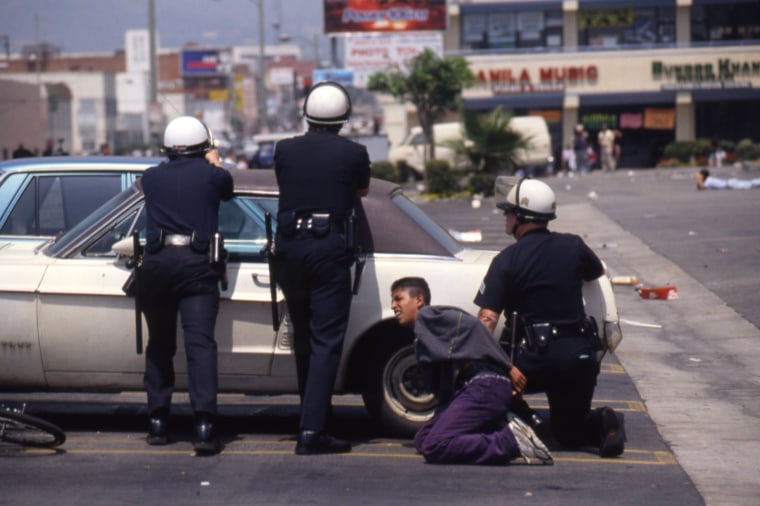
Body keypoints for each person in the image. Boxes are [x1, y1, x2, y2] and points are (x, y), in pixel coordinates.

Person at [474, 177, 625, 458]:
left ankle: (531, 425)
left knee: (481, 380)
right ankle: (605, 423)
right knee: (571, 435)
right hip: (578, 359)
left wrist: (497, 366)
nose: (505, 217)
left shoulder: (508, 259)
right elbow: (595, 272)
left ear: (521, 216)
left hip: (533, 360)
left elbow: (487, 320)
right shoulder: (574, 246)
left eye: (508, 211)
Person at [273, 81, 371, 455]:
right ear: (343, 118)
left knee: (303, 338)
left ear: (307, 115)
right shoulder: (354, 153)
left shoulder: (284, 150)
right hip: (328, 248)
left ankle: (314, 415)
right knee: (326, 340)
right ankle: (312, 431)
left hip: (289, 249)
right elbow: (360, 191)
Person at [138, 116, 233, 455]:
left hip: (157, 264)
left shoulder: (150, 178)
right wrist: (215, 159)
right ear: (203, 145)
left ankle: (158, 421)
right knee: (200, 346)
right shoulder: (214, 176)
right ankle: (204, 426)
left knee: (160, 345)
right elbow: (226, 188)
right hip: (196, 265)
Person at [390, 277, 552, 465]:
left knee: (435, 445)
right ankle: (499, 425)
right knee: (423, 439)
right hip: (474, 388)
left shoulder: (428, 316)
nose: (393, 306)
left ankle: (510, 441)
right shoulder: (422, 338)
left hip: (485, 384)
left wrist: (508, 366)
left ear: (419, 300)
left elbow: (474, 327)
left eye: (398, 299)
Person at [695, 169, 760, 190]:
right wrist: (700, 180)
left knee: (750, 184)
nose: (699, 176)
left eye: (700, 175)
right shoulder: (708, 180)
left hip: (730, 184)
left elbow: (702, 187)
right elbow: (699, 187)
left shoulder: (708, 180)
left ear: (703, 175)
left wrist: (700, 180)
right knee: (750, 183)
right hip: (730, 183)